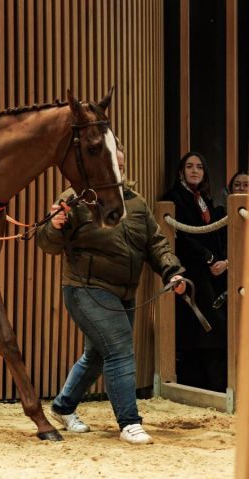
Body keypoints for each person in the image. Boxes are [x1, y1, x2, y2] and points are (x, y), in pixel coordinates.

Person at [37, 140, 186, 445]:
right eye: (110, 164)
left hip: (123, 292)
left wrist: (173, 270)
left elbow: (155, 243)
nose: (116, 170)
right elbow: (47, 243)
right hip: (86, 289)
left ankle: (63, 408)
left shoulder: (136, 201)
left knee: (95, 355)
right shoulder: (74, 199)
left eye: (120, 164)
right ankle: (129, 422)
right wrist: (54, 225)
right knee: (119, 349)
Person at [162, 152, 228, 392]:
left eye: (199, 167)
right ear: (181, 171)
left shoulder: (205, 200)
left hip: (213, 271)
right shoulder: (173, 198)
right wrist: (209, 258)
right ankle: (206, 387)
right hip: (190, 272)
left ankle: (214, 386)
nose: (194, 171)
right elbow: (183, 237)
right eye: (189, 166)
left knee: (214, 329)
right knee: (206, 329)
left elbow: (215, 235)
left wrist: (222, 261)